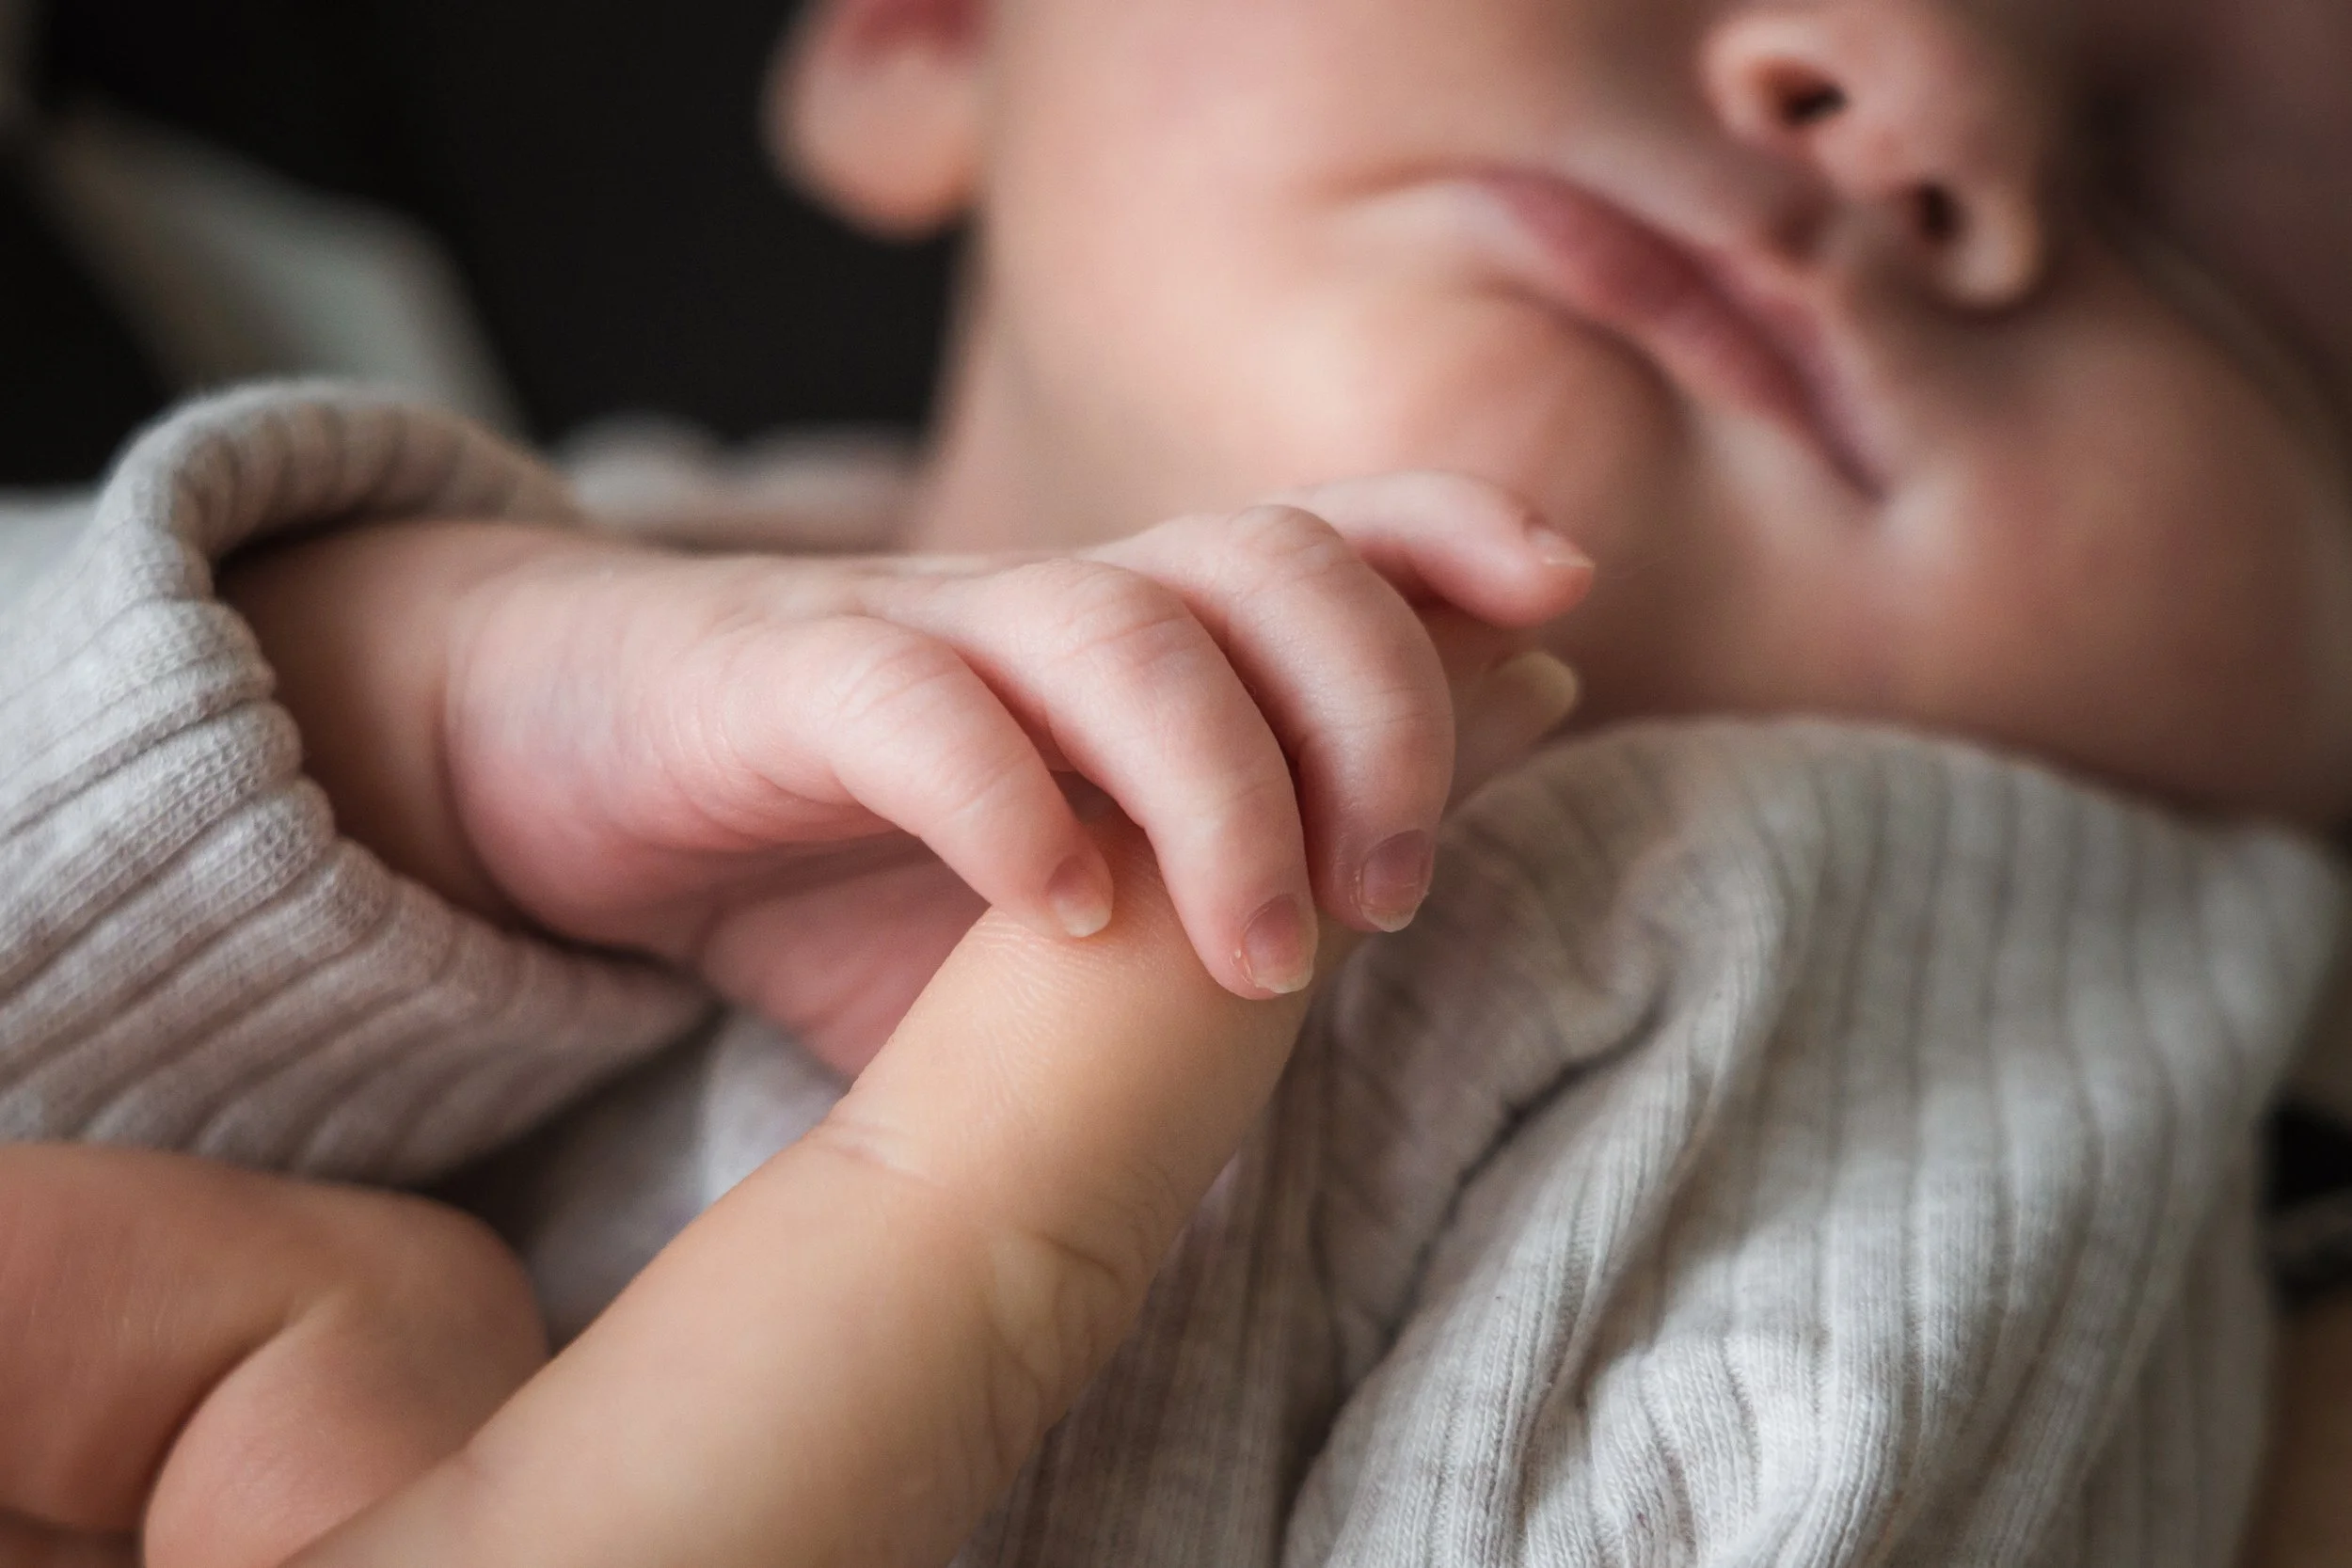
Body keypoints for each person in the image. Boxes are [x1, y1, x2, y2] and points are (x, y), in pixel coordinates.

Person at [6, 0, 2352, 1560]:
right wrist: (422, 707)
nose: (1905, 78)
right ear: (932, 23)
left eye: (2210, 213)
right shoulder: (487, 560)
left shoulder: (1968, 978)